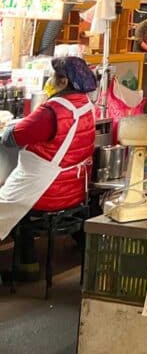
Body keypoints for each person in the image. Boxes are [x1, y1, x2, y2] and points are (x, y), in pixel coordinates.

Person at [0, 56, 97, 280]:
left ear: (63, 81)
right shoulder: (86, 106)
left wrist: (11, 125)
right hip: (72, 189)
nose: (50, 80)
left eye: (54, 76)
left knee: (7, 205)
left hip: (46, 191)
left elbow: (11, 139)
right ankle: (28, 262)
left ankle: (26, 265)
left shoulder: (52, 111)